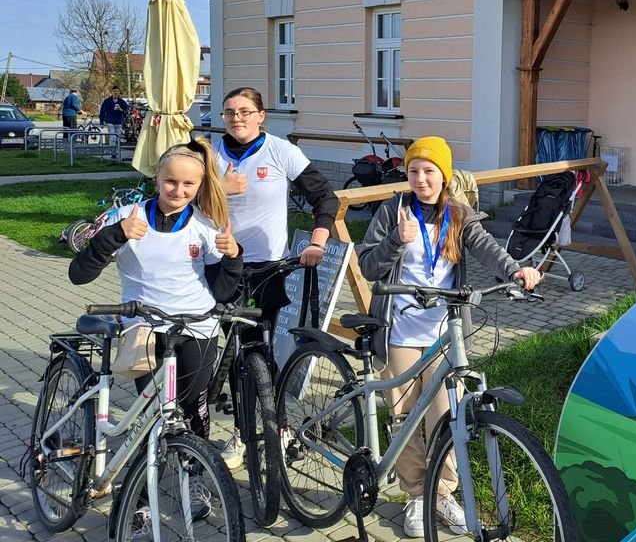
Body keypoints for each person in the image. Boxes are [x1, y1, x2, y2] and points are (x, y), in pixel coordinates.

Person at [358, 136, 541, 538]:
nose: (421, 179)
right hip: (399, 330)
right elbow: (368, 266)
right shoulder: (393, 210)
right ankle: (415, 495)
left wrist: (515, 271)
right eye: (413, 171)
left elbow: (488, 248)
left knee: (445, 416)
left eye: (429, 171)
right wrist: (396, 240)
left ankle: (441, 493)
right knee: (405, 416)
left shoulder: (459, 213)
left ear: (444, 175)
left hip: (444, 331)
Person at [68, 137, 242, 445]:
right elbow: (79, 275)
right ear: (157, 177)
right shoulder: (124, 217)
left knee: (193, 408)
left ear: (200, 185)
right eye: (171, 181)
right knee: (152, 411)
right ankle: (149, 469)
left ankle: (196, 467)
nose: (178, 191)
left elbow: (222, 292)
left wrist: (233, 257)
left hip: (196, 327)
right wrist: (114, 236)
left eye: (188, 184)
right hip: (143, 328)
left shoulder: (206, 225)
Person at [212, 86, 339, 468]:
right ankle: (241, 430)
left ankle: (278, 426)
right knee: (236, 350)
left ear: (261, 115)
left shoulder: (281, 151)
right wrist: (220, 188)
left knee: (263, 351)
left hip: (268, 268)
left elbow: (325, 197)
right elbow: (182, 199)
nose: (237, 118)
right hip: (222, 266)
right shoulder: (210, 155)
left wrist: (318, 240)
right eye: (229, 112)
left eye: (245, 111)